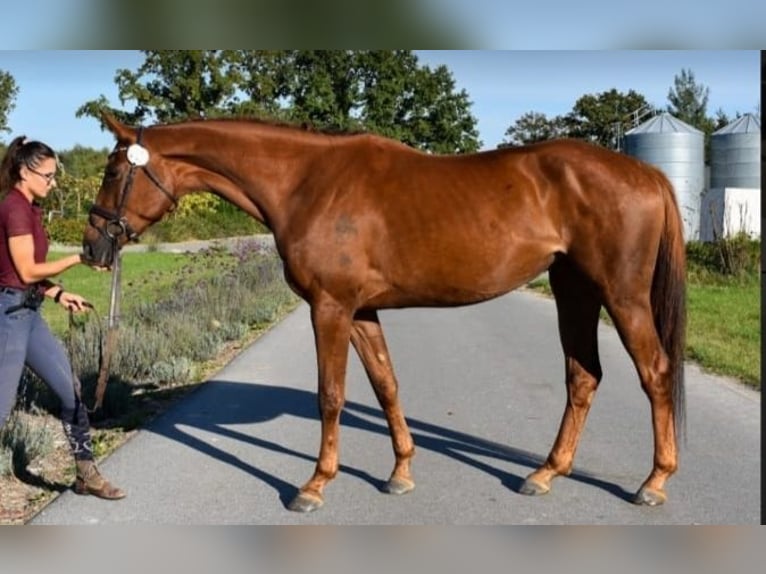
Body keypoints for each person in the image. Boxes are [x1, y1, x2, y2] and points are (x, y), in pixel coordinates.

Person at [0, 136, 125, 500]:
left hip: (28, 312)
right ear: (24, 172)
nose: (52, 183)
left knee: (70, 392)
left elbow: (24, 273)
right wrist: (78, 259)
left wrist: (57, 292)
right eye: (48, 176)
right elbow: (25, 270)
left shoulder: (31, 208)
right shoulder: (15, 208)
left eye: (55, 176)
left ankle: (86, 475)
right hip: (8, 316)